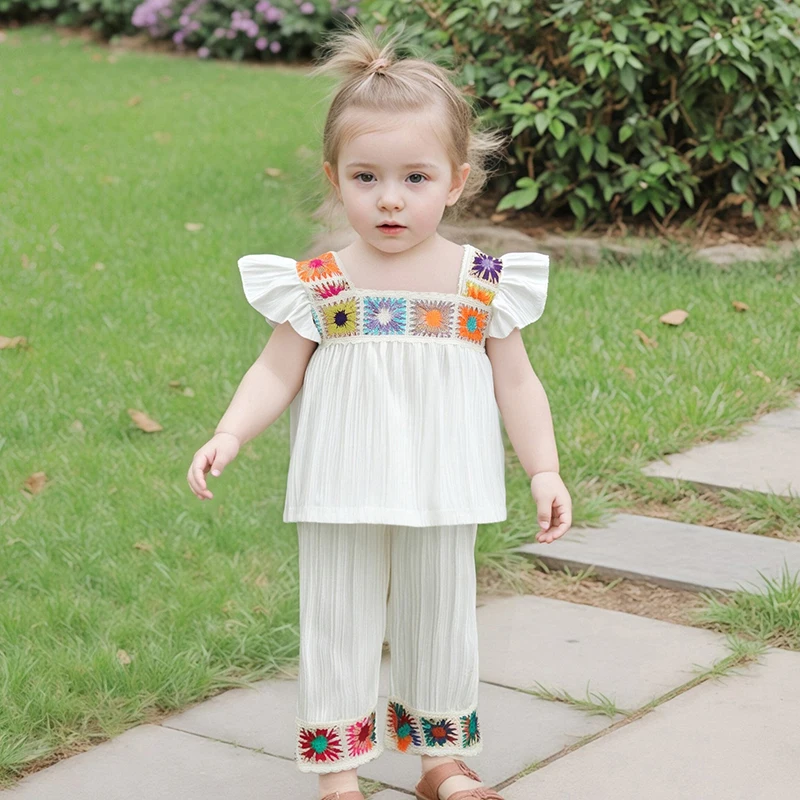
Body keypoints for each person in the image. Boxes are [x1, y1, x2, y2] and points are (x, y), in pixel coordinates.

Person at [187, 19, 572, 800]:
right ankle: (338, 775)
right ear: (335, 178)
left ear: (456, 180)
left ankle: (441, 763)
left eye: (415, 179)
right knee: (338, 619)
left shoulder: (480, 283)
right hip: (341, 483)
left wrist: (544, 469)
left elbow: (517, 383)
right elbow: (276, 369)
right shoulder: (322, 283)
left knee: (441, 617)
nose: (390, 199)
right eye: (367, 178)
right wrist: (230, 431)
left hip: (444, 483)